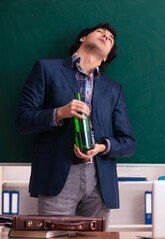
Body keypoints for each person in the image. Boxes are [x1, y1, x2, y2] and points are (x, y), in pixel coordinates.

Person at [16, 23, 136, 227]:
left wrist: (101, 147)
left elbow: (128, 142)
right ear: (82, 38)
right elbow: (23, 120)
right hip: (57, 175)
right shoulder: (47, 69)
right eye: (100, 32)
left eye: (110, 38)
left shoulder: (114, 89)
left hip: (99, 181)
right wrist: (60, 113)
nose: (106, 36)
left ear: (106, 57)